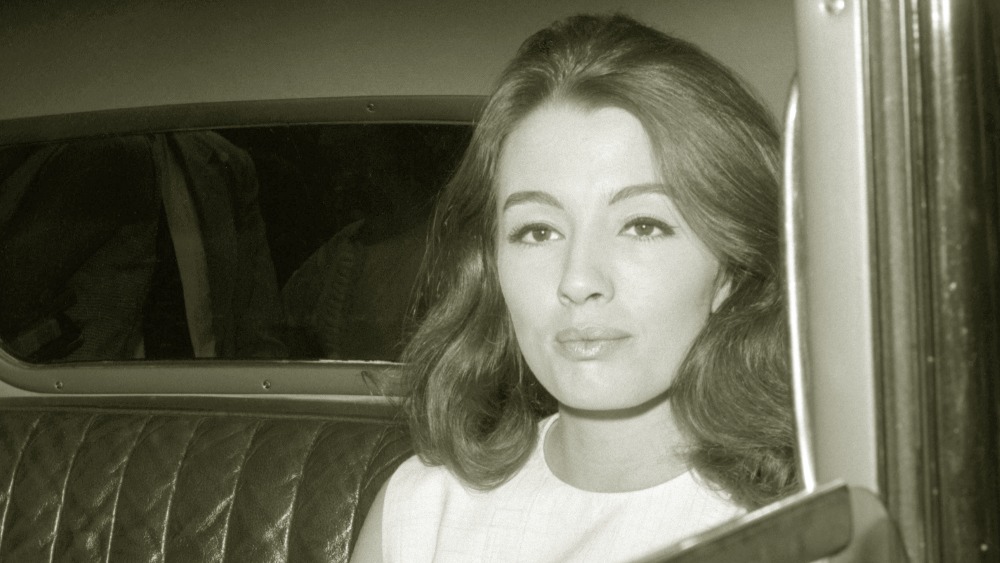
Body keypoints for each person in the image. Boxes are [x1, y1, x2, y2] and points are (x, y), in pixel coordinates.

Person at [352, 13, 798, 562]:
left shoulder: (808, 528)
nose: (578, 281)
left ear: (730, 267)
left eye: (643, 226)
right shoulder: (419, 513)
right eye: (537, 232)